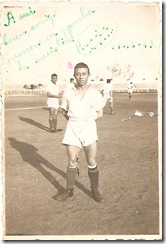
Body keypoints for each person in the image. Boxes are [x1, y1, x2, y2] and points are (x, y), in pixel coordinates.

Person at [56, 62, 104, 202]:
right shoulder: (68, 92)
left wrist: (87, 120)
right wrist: (74, 120)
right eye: (78, 74)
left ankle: (94, 190)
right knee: (72, 161)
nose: (81, 76)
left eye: (84, 74)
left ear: (88, 75)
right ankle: (69, 190)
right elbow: (64, 110)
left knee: (91, 160)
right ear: (74, 75)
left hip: (89, 128)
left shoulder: (94, 93)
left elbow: (100, 113)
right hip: (73, 128)